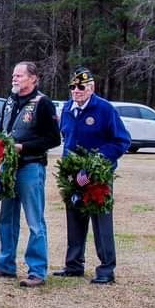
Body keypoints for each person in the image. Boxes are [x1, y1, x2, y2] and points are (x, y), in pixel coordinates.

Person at [0, 62, 61, 287]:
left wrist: (22, 147)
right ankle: (5, 264)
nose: (14, 79)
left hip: (30, 167)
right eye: (13, 75)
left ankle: (37, 271)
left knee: (35, 221)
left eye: (19, 76)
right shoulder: (11, 100)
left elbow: (54, 139)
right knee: (6, 217)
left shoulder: (42, 103)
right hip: (8, 168)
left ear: (33, 78)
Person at [54, 67, 131, 284]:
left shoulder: (104, 109)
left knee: (101, 222)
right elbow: (67, 138)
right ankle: (74, 264)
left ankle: (106, 268)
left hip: (97, 176)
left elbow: (121, 141)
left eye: (81, 87)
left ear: (91, 88)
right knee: (74, 219)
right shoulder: (68, 108)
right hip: (73, 175)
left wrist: (96, 163)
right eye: (73, 87)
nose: (76, 91)